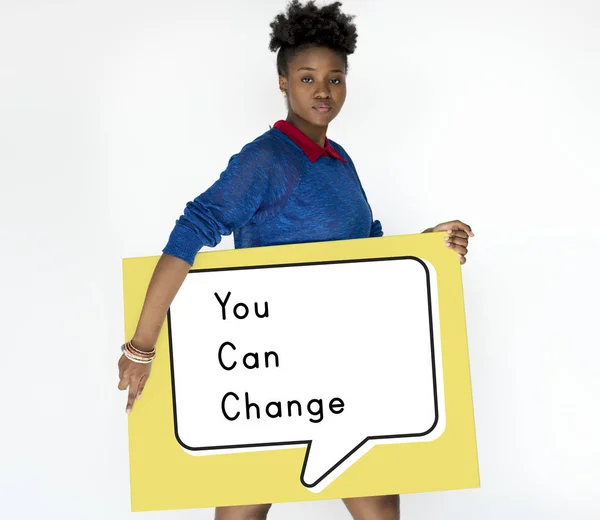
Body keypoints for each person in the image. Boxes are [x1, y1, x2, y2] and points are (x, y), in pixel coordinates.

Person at [117, 1, 474, 518]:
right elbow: (191, 231)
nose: (323, 91)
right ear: (283, 81)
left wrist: (428, 247)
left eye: (335, 79)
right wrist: (142, 346)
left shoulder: (339, 160)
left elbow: (363, 254)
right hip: (270, 374)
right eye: (307, 78)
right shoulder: (265, 160)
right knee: (243, 512)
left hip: (342, 369)